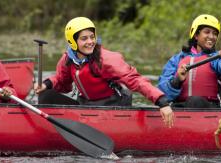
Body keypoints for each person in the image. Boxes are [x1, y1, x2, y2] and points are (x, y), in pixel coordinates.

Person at [34, 17, 174, 127]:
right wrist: (46, 84)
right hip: (87, 107)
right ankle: (45, 129)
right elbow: (61, 82)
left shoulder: (105, 58)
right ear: (72, 41)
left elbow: (135, 80)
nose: (90, 42)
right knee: (45, 94)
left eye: (92, 37)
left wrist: (161, 101)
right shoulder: (67, 60)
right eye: (84, 38)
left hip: (112, 107)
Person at [158, 14, 221, 108]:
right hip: (180, 107)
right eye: (207, 32)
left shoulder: (217, 58)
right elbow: (163, 94)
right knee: (170, 108)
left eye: (214, 33)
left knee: (194, 101)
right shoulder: (177, 59)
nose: (211, 36)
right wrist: (177, 81)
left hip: (210, 109)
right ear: (196, 35)